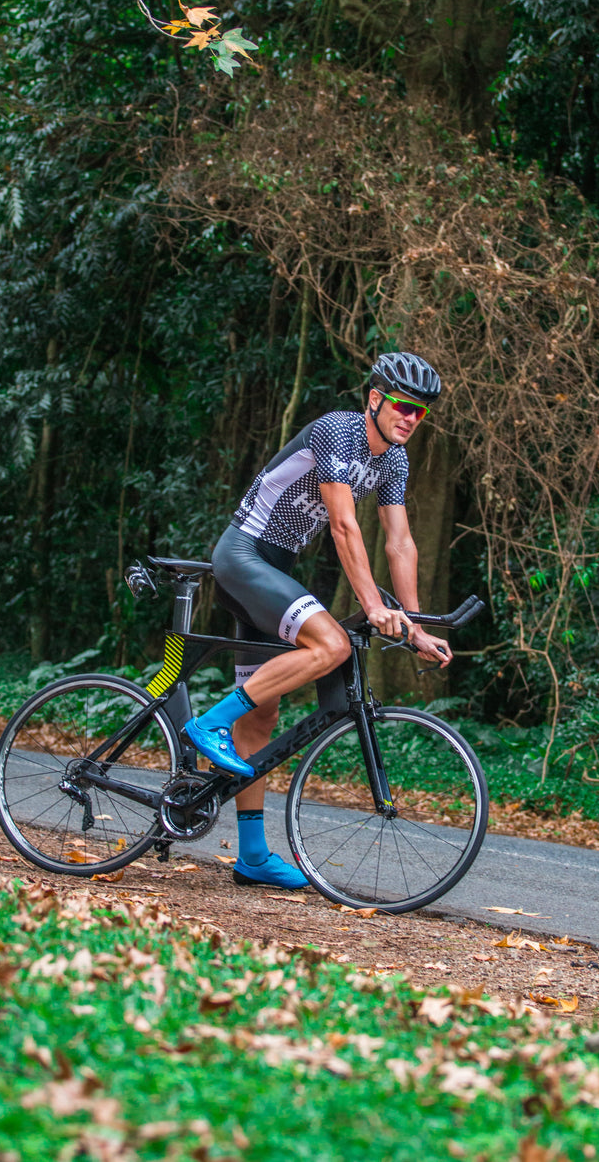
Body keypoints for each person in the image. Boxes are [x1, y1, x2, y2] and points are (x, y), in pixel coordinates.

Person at [183, 351, 453, 889]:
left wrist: (416, 623)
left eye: (420, 413)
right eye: (403, 406)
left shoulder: (393, 460)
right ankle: (208, 723)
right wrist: (375, 607)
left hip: (273, 568)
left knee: (261, 718)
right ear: (375, 399)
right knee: (332, 645)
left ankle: (253, 856)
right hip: (244, 556)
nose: (410, 419)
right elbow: (344, 527)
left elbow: (399, 542)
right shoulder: (337, 432)